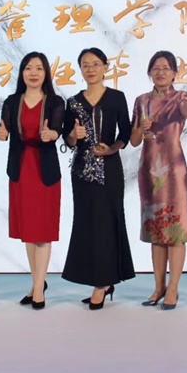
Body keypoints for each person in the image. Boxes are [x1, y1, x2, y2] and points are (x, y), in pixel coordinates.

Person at [61, 47, 135, 310]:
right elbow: (68, 139)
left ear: (105, 67)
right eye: (85, 65)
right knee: (87, 225)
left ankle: (102, 283)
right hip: (81, 171)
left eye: (95, 64)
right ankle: (98, 278)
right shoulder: (73, 102)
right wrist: (74, 135)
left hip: (110, 169)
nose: (90, 69)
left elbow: (125, 133)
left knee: (107, 223)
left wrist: (112, 148)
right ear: (80, 70)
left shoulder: (116, 97)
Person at [129, 51, 187, 310]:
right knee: (156, 231)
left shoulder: (181, 97)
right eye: (156, 68)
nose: (160, 72)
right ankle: (158, 287)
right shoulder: (141, 101)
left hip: (173, 170)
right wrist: (142, 128)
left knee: (175, 231)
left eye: (166, 68)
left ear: (174, 73)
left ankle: (173, 288)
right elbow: (134, 140)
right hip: (149, 170)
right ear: (150, 72)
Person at [0, 52, 65, 310]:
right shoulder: (12, 101)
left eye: (39, 68)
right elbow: (4, 129)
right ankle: (37, 283)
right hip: (21, 169)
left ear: (46, 73)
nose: (33, 73)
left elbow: (57, 129)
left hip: (44, 171)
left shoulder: (55, 101)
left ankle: (38, 290)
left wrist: (52, 134)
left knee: (42, 232)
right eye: (28, 68)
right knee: (28, 232)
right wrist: (1, 133)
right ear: (22, 73)